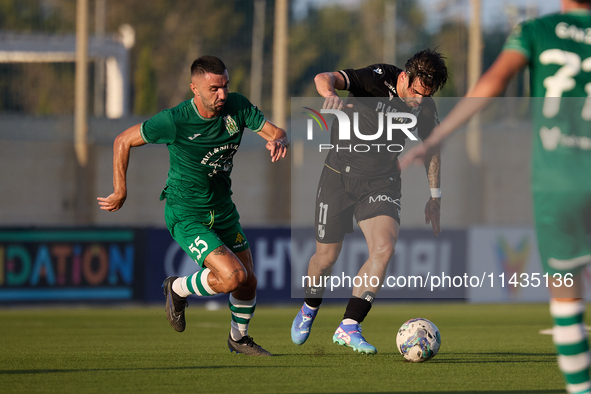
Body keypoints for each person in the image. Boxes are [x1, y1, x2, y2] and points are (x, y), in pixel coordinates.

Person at [400, 1, 591, 392]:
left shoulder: (536, 31)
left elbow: (493, 84)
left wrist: (437, 137)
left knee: (568, 301)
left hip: (559, 180)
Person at [97, 55, 288, 356]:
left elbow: (276, 132)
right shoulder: (174, 120)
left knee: (248, 281)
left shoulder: (237, 106)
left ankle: (238, 339)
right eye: (214, 88)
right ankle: (177, 289)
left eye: (225, 86)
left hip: (223, 209)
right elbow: (123, 140)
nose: (222, 94)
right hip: (187, 213)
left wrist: (279, 141)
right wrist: (120, 189)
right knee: (232, 277)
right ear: (194, 89)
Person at [291, 49, 449, 354]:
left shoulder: (425, 107)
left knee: (384, 247)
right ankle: (310, 307)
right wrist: (328, 94)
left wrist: (434, 197)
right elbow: (324, 77)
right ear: (404, 77)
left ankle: (349, 325)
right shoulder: (375, 78)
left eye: (426, 95)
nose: (418, 100)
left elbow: (432, 150)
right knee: (325, 260)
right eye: (416, 92)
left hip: (382, 182)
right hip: (338, 176)